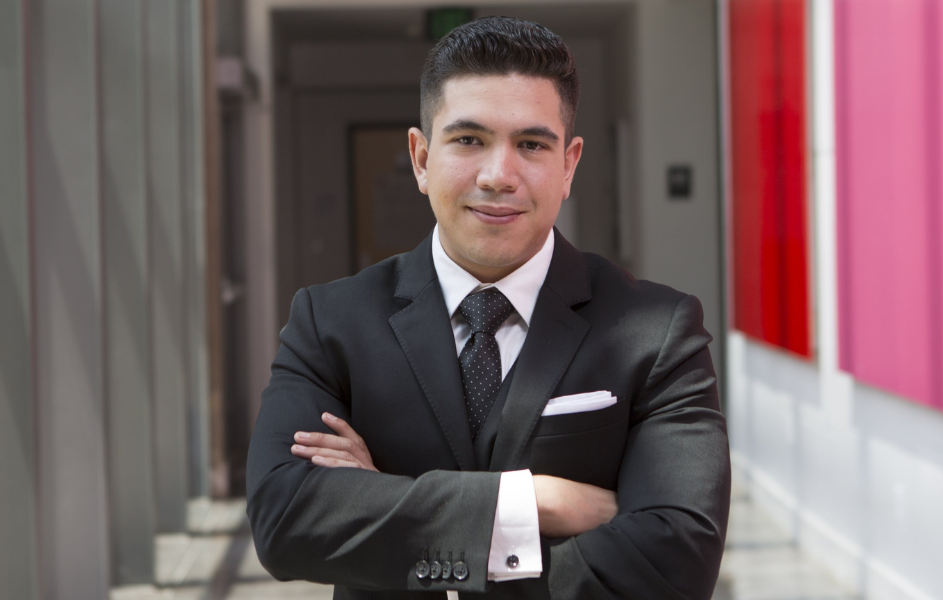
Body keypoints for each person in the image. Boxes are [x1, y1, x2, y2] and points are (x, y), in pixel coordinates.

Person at [245, 16, 729, 599]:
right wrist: (541, 503)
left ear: (569, 164)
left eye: (531, 144)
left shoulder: (657, 331)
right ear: (421, 158)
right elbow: (286, 520)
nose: (499, 176)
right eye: (469, 140)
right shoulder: (331, 322)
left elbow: (676, 561)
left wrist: (388, 502)